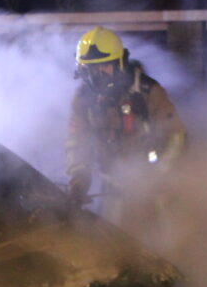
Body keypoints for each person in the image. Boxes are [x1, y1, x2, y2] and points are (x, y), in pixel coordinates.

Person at [66, 26, 187, 232]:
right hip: (113, 184)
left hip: (154, 186)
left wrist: (160, 172)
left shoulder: (148, 92)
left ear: (120, 63)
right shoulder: (83, 99)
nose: (97, 76)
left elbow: (176, 137)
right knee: (113, 240)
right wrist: (79, 177)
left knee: (164, 238)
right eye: (91, 70)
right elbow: (77, 141)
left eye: (104, 67)